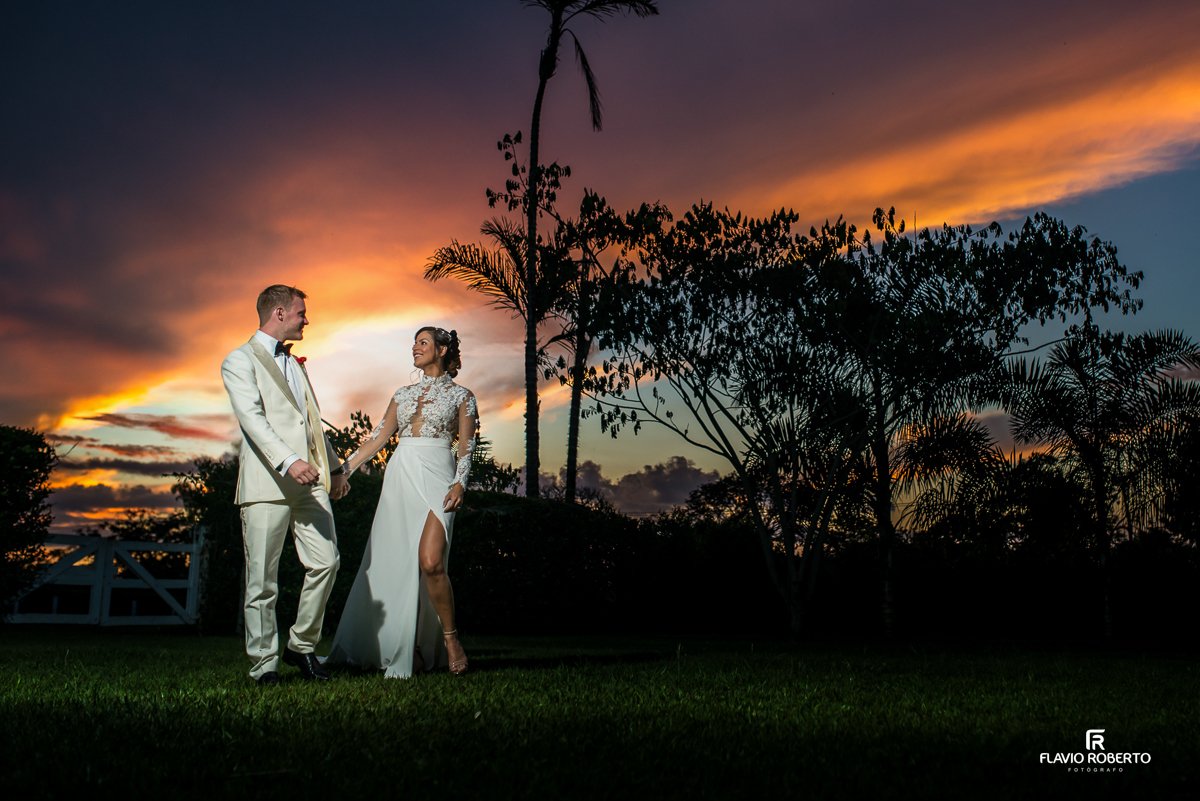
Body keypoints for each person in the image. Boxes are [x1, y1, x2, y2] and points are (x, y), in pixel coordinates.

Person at [325, 326, 475, 677]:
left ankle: (451, 640)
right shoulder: (403, 394)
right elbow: (377, 437)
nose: (414, 348)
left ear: (441, 349)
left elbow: (466, 447)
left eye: (422, 343)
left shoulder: (463, 396)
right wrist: (344, 470)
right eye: (414, 343)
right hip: (401, 476)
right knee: (398, 564)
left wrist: (460, 483)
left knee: (432, 561)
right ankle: (410, 648)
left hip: (439, 476)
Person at [220, 285, 350, 686]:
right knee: (262, 580)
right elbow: (252, 419)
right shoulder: (238, 360)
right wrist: (289, 461)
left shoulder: (297, 365)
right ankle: (264, 665)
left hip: (308, 481)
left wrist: (336, 467)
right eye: (301, 312)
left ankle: (301, 645)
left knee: (327, 561)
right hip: (267, 482)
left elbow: (311, 421)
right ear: (279, 313)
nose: (305, 319)